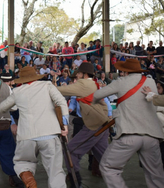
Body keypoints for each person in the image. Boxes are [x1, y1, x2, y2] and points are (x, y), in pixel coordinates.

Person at [94, 59, 164, 188]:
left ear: (125, 71)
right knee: (156, 174)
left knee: (109, 167)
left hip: (129, 133)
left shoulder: (121, 82)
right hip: (152, 135)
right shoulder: (151, 82)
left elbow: (97, 95)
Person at [0, 66, 69, 188]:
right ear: (35, 76)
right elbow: (61, 102)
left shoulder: (17, 91)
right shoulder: (47, 86)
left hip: (27, 136)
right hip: (49, 133)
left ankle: (29, 179)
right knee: (55, 171)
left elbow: (2, 108)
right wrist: (65, 124)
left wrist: (15, 106)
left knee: (22, 162)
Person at [57, 62, 109, 188]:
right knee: (105, 158)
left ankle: (76, 181)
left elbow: (61, 90)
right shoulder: (95, 84)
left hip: (93, 125)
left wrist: (47, 86)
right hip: (104, 123)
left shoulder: (83, 83)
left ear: (84, 74)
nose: (77, 76)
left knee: (71, 151)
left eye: (79, 73)